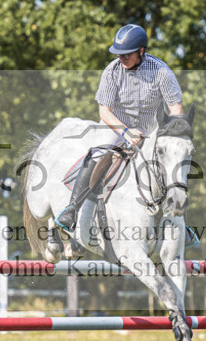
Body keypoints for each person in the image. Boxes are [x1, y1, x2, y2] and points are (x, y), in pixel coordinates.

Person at [55, 23, 184, 231]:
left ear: (141, 51)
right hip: (116, 126)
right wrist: (125, 132)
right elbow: (104, 111)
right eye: (119, 54)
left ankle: (178, 219)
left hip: (150, 130)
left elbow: (175, 106)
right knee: (98, 153)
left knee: (175, 159)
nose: (121, 58)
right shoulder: (112, 71)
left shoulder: (161, 71)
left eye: (126, 54)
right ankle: (72, 209)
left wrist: (173, 132)